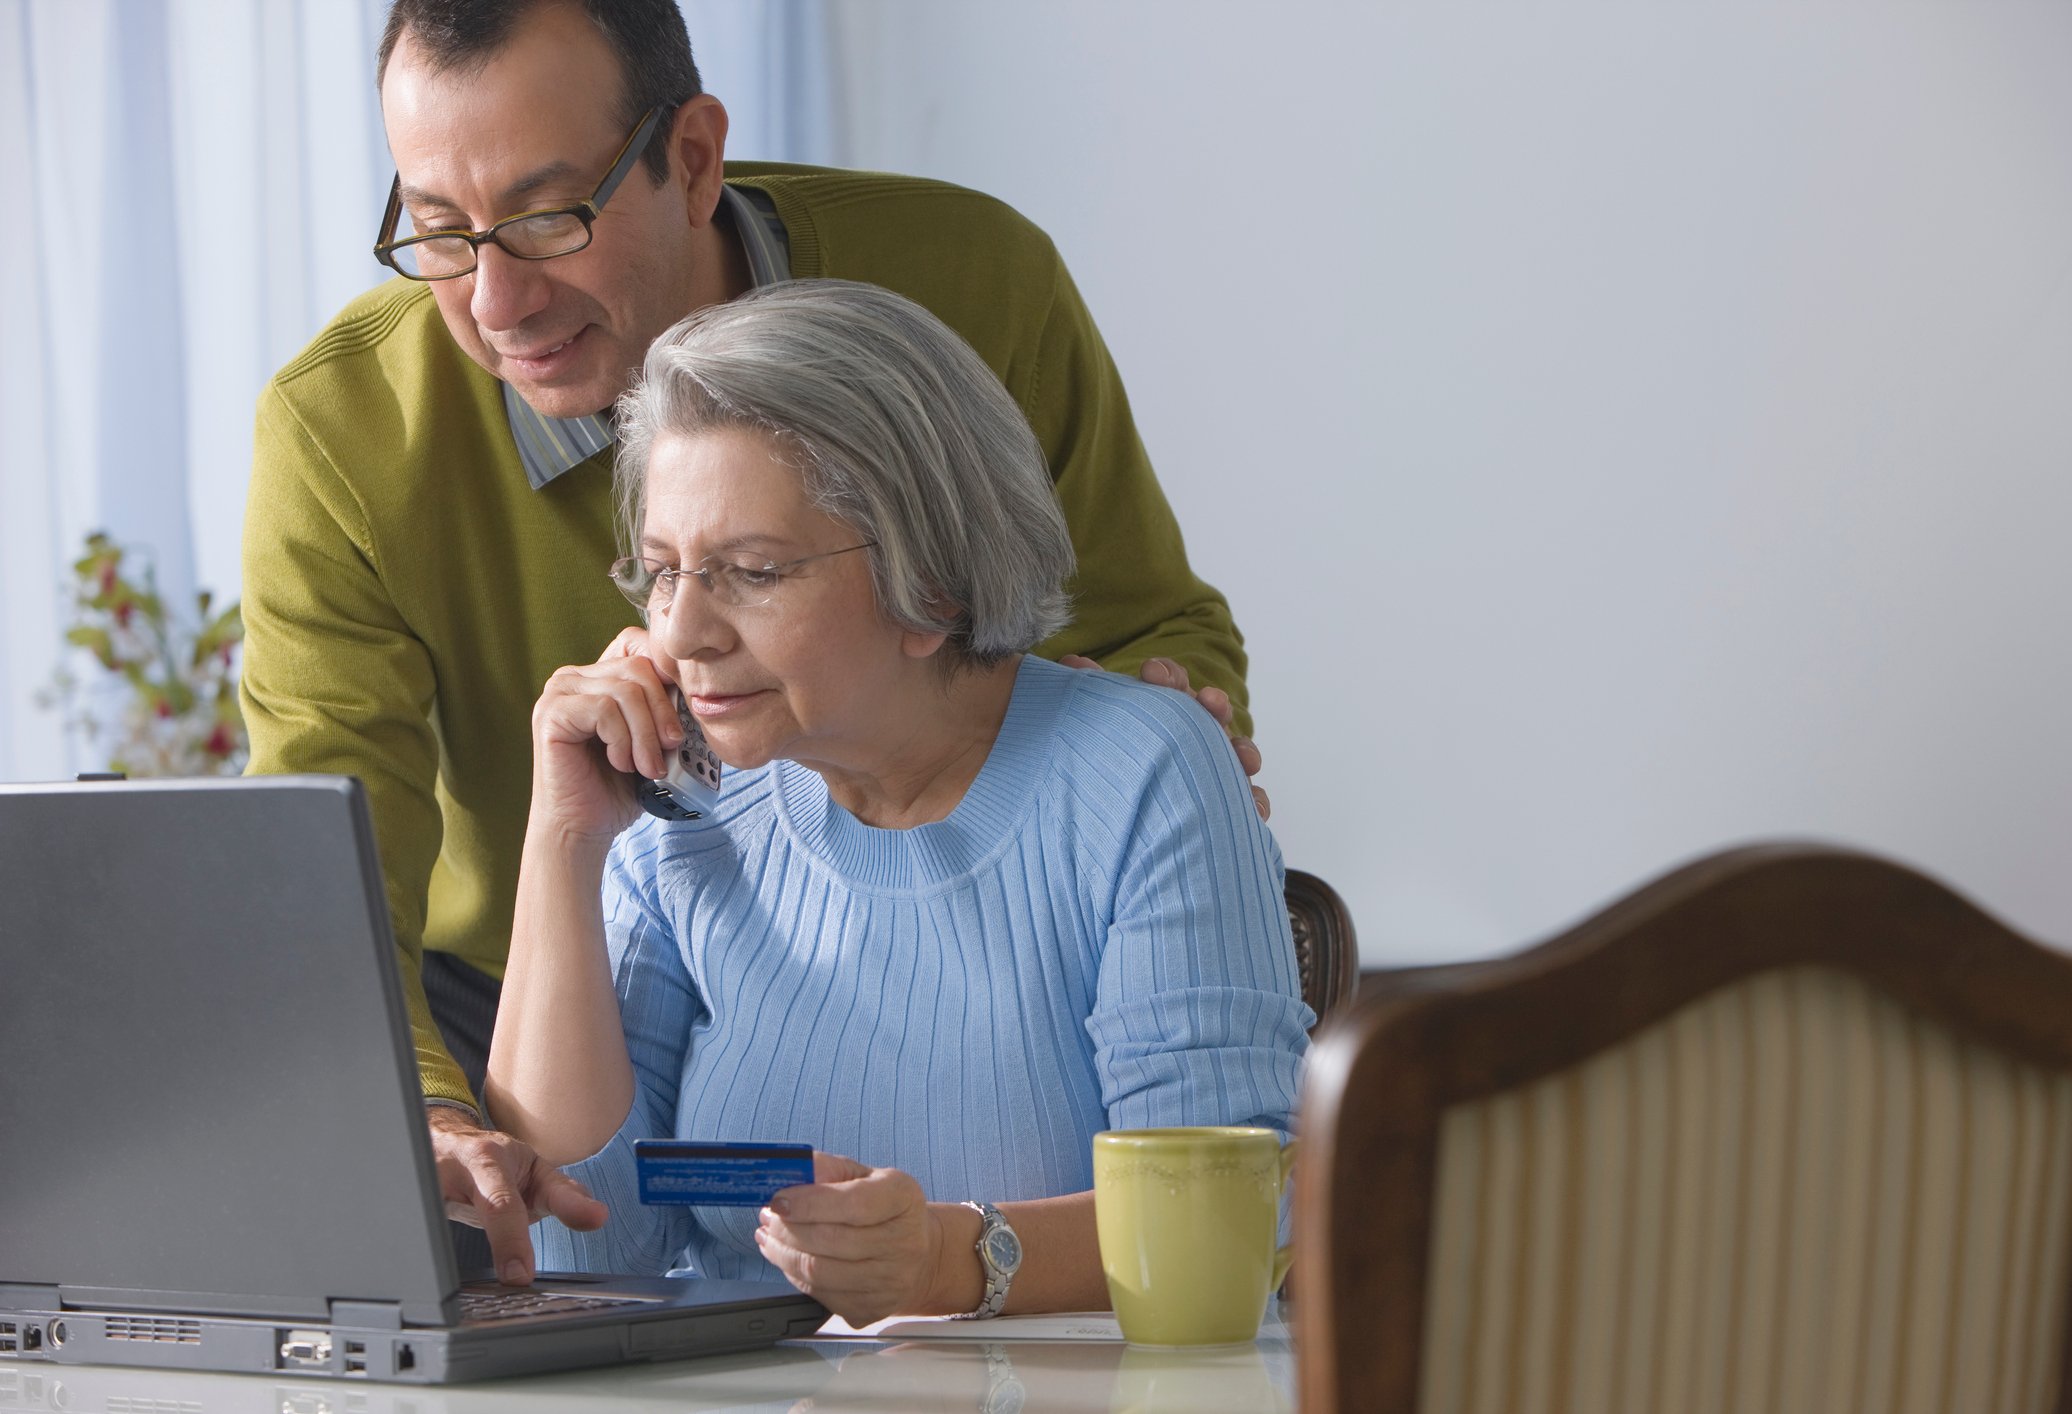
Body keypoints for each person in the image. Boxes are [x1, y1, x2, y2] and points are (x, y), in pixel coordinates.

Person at [239, 0, 1268, 1283]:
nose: (493, 297)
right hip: (507, 989)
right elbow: (326, 889)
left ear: (693, 159)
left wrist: (1135, 767)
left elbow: (1154, 622)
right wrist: (552, 877)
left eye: (548, 214)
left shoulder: (975, 281)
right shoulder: (670, 820)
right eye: (438, 232)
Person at [488, 279, 1307, 1323]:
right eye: (661, 572)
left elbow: (1234, 1222)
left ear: (935, 587)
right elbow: (575, 1240)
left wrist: (955, 1259)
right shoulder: (678, 815)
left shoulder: (1142, 773)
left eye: (748, 570)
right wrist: (563, 840)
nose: (683, 630)